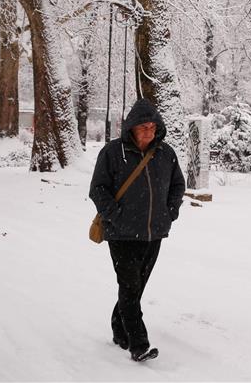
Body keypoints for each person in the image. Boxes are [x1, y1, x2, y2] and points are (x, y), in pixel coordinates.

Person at [89, 99, 185, 363]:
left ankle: (119, 329)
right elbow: (98, 189)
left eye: (153, 127)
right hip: (121, 234)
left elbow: (178, 184)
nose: (149, 132)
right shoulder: (112, 152)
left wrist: (170, 212)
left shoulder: (166, 153)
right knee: (130, 287)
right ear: (131, 127)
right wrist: (116, 216)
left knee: (135, 287)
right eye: (143, 127)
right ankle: (138, 343)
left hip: (154, 233)